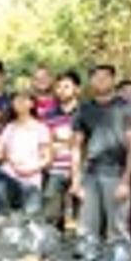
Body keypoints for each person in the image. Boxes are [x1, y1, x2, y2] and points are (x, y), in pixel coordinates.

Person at [71, 65, 131, 242]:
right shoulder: (84, 109)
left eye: (105, 77)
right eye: (96, 77)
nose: (100, 80)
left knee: (118, 229)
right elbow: (77, 146)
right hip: (90, 173)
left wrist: (126, 179)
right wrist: (76, 180)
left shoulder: (126, 108)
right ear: (91, 81)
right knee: (86, 228)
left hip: (116, 172)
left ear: (113, 80)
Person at [0, 91, 51, 216]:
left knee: (31, 219)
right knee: (4, 218)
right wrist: (12, 161)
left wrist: (31, 168)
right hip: (8, 177)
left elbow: (47, 157)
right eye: (16, 100)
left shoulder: (41, 128)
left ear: (32, 103)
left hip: (32, 180)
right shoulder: (8, 127)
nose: (20, 103)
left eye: (24, 100)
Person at [42, 71, 80, 229]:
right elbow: (45, 141)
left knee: (83, 216)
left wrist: (64, 140)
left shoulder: (86, 112)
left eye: (67, 86)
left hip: (82, 170)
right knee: (51, 215)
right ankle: (53, 249)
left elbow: (85, 142)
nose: (62, 90)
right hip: (55, 169)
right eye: (59, 87)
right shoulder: (48, 115)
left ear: (77, 89)